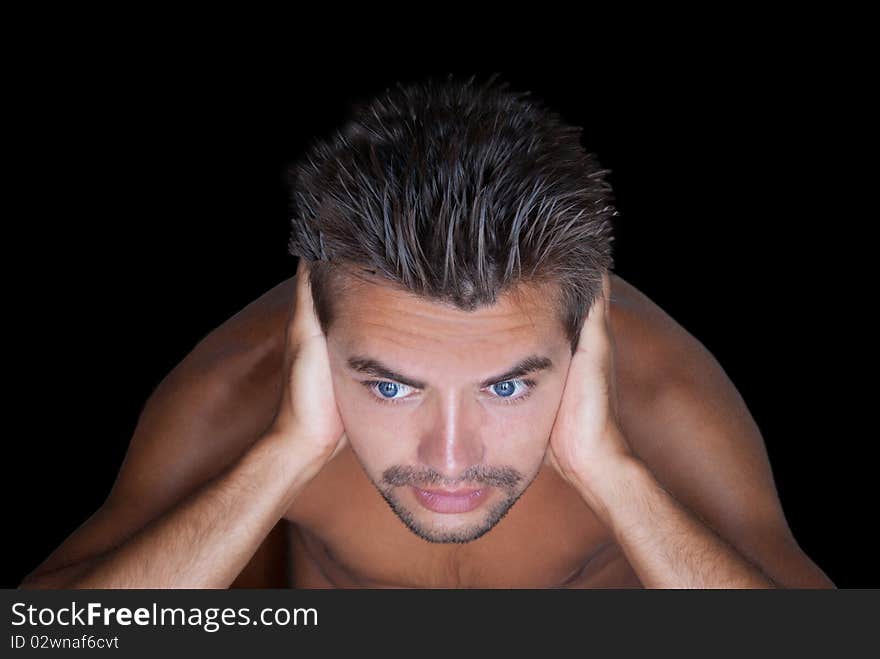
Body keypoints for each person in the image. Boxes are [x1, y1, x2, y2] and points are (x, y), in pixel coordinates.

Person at [20, 74, 834, 589]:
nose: (450, 459)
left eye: (509, 384)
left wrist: (614, 476)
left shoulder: (658, 396)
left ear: (583, 337)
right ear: (318, 334)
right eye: (389, 384)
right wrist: (285, 454)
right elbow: (52, 635)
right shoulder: (240, 388)